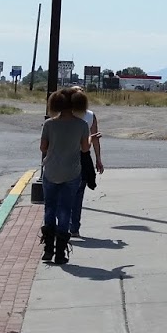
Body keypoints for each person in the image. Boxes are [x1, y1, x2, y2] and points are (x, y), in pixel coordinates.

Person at [39, 89, 91, 264]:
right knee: (65, 211)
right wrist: (90, 140)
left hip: (51, 170)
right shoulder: (82, 125)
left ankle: (48, 249)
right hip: (72, 172)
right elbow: (85, 149)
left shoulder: (49, 124)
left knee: (49, 209)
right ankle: (61, 252)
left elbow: (43, 147)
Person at [67, 86, 104, 238]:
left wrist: (99, 159)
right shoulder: (89, 116)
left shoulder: (64, 114)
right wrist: (98, 159)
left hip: (67, 156)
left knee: (66, 193)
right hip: (83, 155)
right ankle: (73, 226)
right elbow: (94, 140)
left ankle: (66, 225)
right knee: (77, 194)